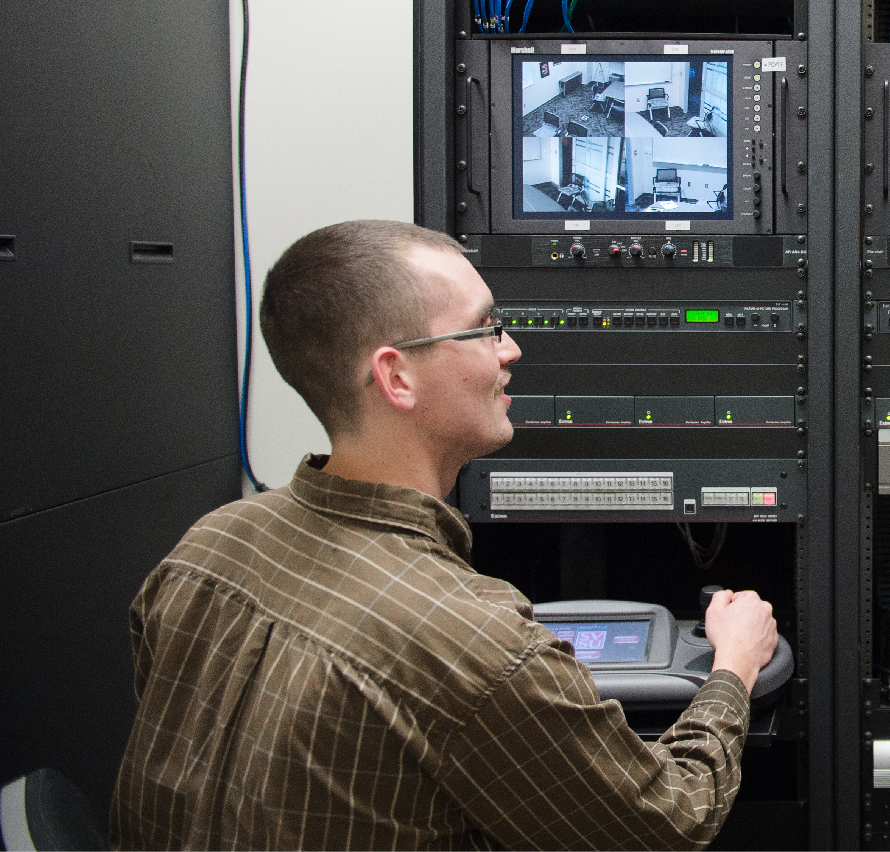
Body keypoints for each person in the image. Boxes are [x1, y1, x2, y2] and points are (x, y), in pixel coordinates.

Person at [110, 220, 778, 850]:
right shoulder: (471, 640)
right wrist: (733, 667)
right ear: (396, 377)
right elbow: (667, 821)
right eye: (483, 330)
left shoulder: (209, 546)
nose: (510, 348)